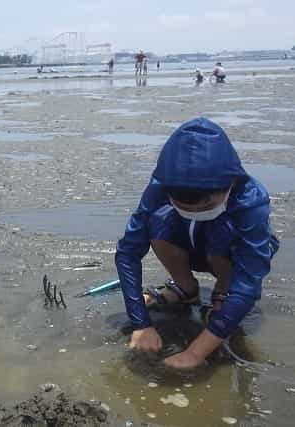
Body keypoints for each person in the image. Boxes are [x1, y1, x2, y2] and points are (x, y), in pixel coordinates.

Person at [115, 117, 279, 369]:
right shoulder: (159, 188)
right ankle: (185, 288)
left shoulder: (251, 200)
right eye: (183, 206)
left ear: (230, 184)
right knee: (155, 222)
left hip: (228, 251)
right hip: (189, 241)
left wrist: (195, 352)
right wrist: (141, 324)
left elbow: (249, 283)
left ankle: (223, 291)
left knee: (223, 232)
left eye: (207, 206)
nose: (197, 211)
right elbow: (128, 253)